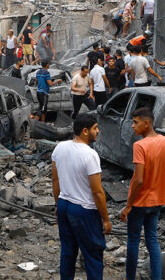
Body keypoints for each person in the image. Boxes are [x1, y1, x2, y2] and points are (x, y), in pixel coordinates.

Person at [51, 113, 111, 280]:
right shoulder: (90, 155)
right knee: (93, 255)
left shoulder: (60, 148)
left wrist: (58, 204)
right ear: (85, 131)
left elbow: (55, 179)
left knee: (68, 252)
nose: (98, 131)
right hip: (84, 210)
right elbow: (97, 192)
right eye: (95, 128)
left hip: (64, 205)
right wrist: (105, 219)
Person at [120, 107, 165, 280]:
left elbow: (139, 179)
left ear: (147, 123)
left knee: (133, 241)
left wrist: (128, 205)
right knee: (152, 241)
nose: (133, 126)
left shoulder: (140, 145)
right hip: (158, 200)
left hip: (140, 202)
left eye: (136, 122)